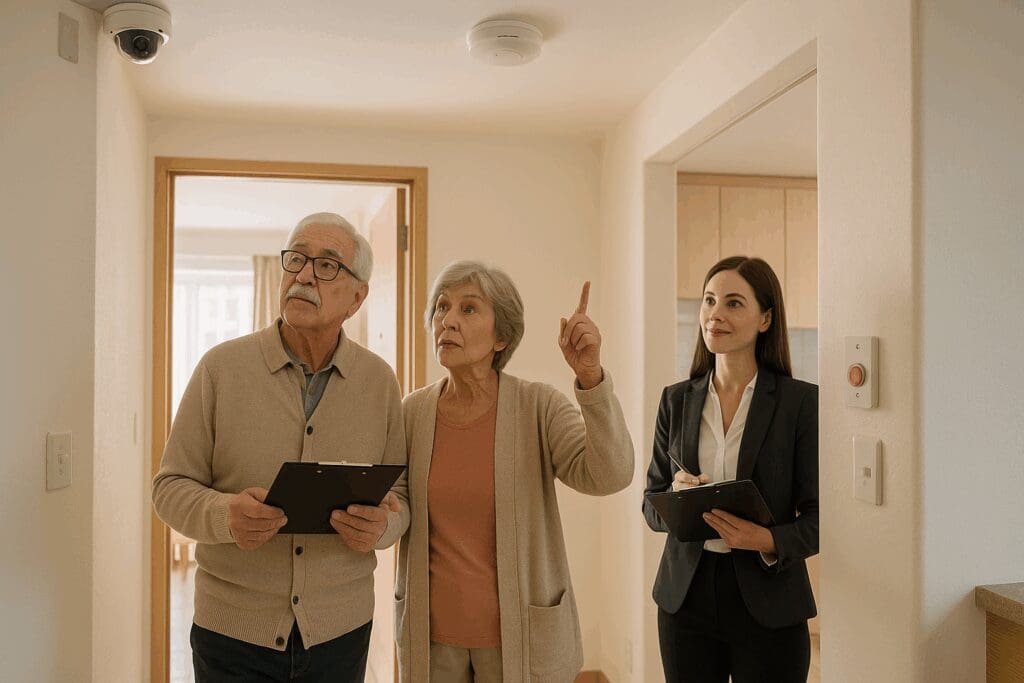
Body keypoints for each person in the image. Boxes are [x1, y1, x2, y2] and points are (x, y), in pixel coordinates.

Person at [153, 212, 409, 683]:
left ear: (358, 297)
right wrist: (224, 514)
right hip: (230, 634)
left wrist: (384, 526)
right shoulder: (220, 370)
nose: (304, 274)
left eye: (327, 265)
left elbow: (403, 498)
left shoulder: (379, 383)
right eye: (296, 259)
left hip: (341, 632)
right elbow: (168, 489)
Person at [394, 261, 634, 682]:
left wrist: (591, 377)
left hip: (520, 640)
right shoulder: (412, 412)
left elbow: (609, 474)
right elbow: (396, 501)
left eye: (468, 309)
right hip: (433, 642)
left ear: (501, 336)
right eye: (441, 308)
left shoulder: (538, 407)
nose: (447, 320)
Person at [643, 255, 818, 683]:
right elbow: (650, 506)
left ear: (765, 319)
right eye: (709, 300)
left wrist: (765, 539)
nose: (715, 314)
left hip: (769, 602)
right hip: (685, 600)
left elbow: (820, 518)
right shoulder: (676, 399)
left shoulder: (800, 404)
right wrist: (674, 496)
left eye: (734, 303)